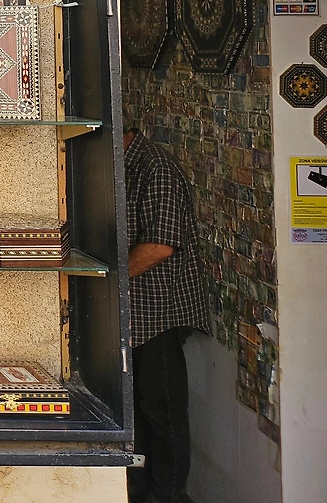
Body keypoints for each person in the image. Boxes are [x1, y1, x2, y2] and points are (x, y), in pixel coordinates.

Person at [124, 127, 210, 503]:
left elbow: (161, 245)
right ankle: (140, 489)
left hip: (159, 311)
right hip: (134, 311)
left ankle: (169, 495)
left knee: (162, 409)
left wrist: (112, 279)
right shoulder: (125, 165)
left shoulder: (155, 167)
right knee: (137, 409)